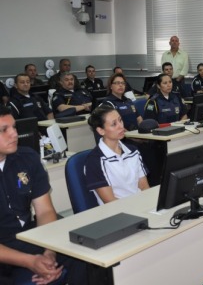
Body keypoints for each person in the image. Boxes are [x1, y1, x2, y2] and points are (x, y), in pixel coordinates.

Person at [0, 106, 87, 284]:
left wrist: (50, 251)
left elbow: (45, 211)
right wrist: (30, 261)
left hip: (27, 236)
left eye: (14, 127)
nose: (14, 134)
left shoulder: (27, 157)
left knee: (84, 255)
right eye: (4, 130)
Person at [84, 105, 150, 205]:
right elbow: (111, 203)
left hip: (140, 205)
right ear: (101, 131)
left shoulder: (133, 151)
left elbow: (145, 188)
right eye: (114, 124)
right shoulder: (95, 161)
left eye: (120, 120)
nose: (121, 126)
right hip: (118, 213)